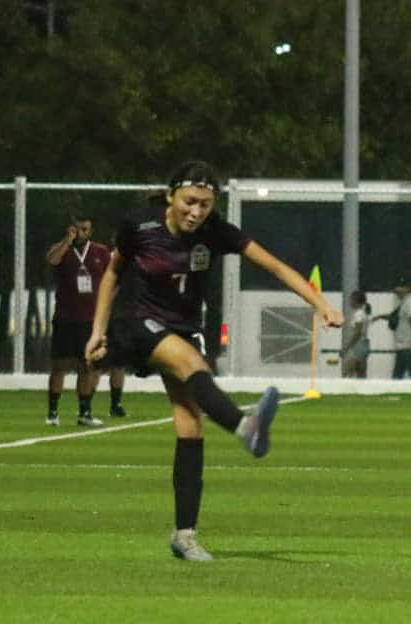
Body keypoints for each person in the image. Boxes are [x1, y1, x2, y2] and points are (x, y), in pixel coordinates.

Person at [84, 160, 343, 561]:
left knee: (190, 426)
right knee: (192, 365)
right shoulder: (139, 226)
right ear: (171, 196)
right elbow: (113, 275)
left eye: (205, 204)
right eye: (190, 202)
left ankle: (184, 534)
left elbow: (273, 265)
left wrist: (320, 304)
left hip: (184, 326)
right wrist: (98, 329)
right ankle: (245, 426)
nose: (196, 212)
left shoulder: (215, 231)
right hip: (139, 322)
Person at [44, 215, 113, 426]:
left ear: (90, 231)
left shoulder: (100, 252)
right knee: (59, 366)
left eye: (85, 229)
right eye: (78, 229)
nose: (81, 233)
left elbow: (113, 278)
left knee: (87, 367)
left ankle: (84, 413)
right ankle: (53, 413)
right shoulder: (62, 249)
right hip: (65, 318)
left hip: (90, 320)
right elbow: (51, 260)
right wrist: (67, 240)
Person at [375, 277, 411, 379]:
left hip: (408, 346)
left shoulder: (410, 303)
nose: (397, 290)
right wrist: (379, 317)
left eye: (401, 287)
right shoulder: (404, 303)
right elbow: (395, 317)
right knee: (407, 373)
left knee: (404, 374)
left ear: (407, 289)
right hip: (403, 345)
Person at [340, 290, 371, 378]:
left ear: (355, 301)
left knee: (348, 372)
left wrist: (346, 348)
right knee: (361, 372)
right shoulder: (363, 313)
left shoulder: (359, 314)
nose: (349, 302)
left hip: (358, 344)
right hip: (363, 343)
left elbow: (357, 332)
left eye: (351, 299)